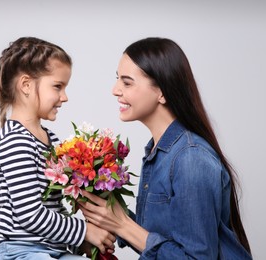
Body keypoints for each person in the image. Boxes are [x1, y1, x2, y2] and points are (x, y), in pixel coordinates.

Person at [79, 37, 252, 259]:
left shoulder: (191, 159)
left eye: (127, 82)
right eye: (117, 80)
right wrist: (107, 215)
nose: (115, 90)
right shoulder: (158, 152)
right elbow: (160, 240)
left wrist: (123, 225)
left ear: (162, 92)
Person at [0, 37, 115, 260]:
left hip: (51, 251)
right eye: (58, 87)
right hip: (16, 251)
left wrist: (82, 245)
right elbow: (30, 214)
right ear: (26, 85)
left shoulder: (50, 139)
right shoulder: (15, 140)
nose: (64, 97)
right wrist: (85, 232)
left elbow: (54, 207)